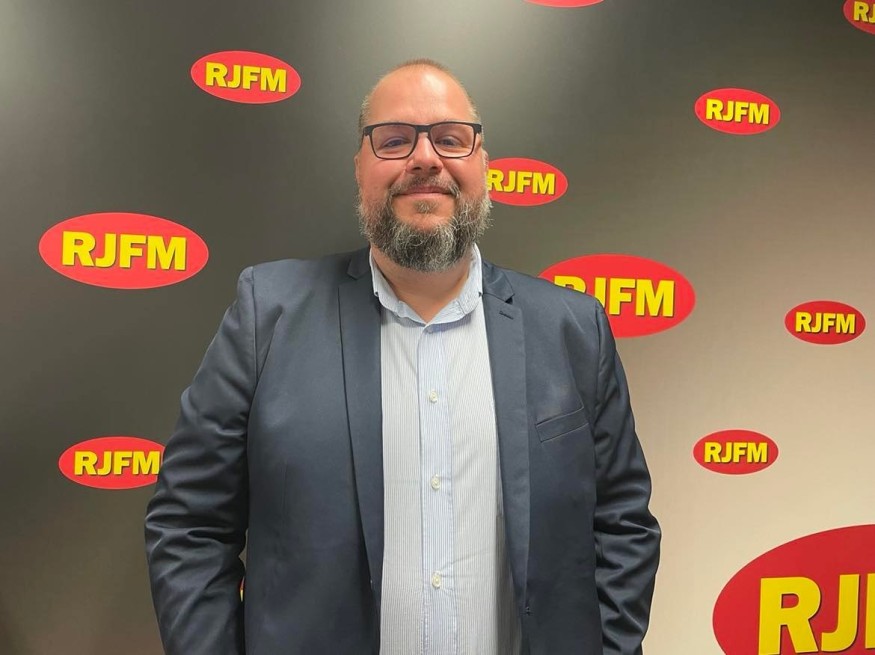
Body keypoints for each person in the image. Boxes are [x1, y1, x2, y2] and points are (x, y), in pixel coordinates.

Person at [145, 58, 660, 655]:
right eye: (393, 140)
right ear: (360, 168)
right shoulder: (268, 316)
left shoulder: (573, 329)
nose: (425, 159)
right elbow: (189, 526)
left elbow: (623, 524)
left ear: (483, 163)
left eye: (451, 139)